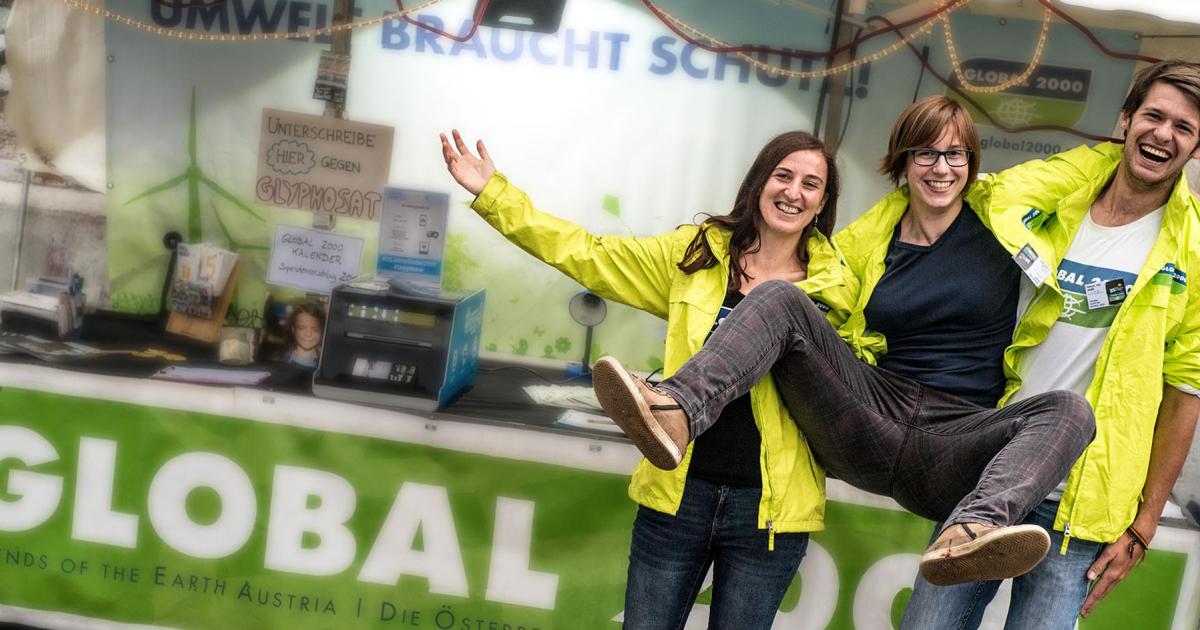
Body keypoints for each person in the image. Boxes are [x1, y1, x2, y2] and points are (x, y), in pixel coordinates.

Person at [590, 95, 1101, 588]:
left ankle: (972, 530)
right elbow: (806, 307)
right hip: (872, 418)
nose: (941, 168)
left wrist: (1139, 131)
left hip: (956, 438)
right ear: (903, 161)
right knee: (780, 296)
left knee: (1071, 410)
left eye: (955, 154)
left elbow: (1093, 164)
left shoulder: (1005, 208)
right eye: (925, 153)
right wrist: (736, 253)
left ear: (971, 162)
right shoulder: (864, 240)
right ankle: (677, 410)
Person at [439, 128, 859, 629]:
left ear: (822, 203)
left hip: (768, 515)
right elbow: (589, 254)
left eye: (811, 184)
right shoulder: (698, 256)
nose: (793, 192)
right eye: (783, 176)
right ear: (759, 182)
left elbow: (857, 380)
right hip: (679, 495)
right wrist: (494, 195)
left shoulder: (835, 289)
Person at [899, 60, 1200, 629]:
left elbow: (1186, 390)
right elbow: (965, 200)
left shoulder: (1194, 248)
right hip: (994, 478)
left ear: (1197, 147)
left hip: (1081, 505)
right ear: (1126, 119)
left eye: (1183, 127)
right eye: (1154, 116)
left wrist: (1144, 524)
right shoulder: (1058, 197)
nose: (1163, 134)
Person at [282, 300, 326, 368]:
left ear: (322, 331)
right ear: (293, 329)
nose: (308, 334)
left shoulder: (326, 363)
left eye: (315, 330)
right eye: (301, 328)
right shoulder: (281, 358)